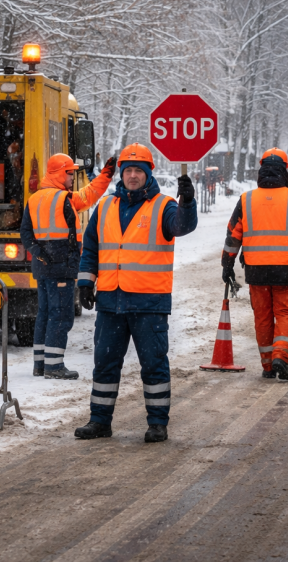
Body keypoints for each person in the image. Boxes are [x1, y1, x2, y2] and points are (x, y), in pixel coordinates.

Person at [74, 143, 197, 443]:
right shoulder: (105, 207)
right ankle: (99, 421)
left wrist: (188, 202)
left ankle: (157, 424)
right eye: (127, 170)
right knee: (104, 362)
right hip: (110, 301)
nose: (131, 176)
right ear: (121, 174)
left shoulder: (164, 206)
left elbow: (183, 226)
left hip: (149, 303)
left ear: (147, 174)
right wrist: (86, 282)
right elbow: (90, 248)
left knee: (154, 364)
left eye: (137, 171)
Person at [221, 148, 288, 380]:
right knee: (285, 314)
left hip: (256, 271)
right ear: (285, 171)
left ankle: (268, 366)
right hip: (286, 270)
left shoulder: (246, 199)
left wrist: (227, 264)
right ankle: (280, 356)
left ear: (261, 171)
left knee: (263, 317)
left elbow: (233, 236)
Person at [20, 153, 116, 379]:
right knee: (61, 315)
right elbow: (89, 196)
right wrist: (105, 175)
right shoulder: (64, 199)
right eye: (69, 174)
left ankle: (41, 364)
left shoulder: (34, 199)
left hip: (43, 266)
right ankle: (54, 367)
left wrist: (38, 253)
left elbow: (25, 232)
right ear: (59, 174)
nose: (72, 178)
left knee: (45, 313)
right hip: (60, 264)